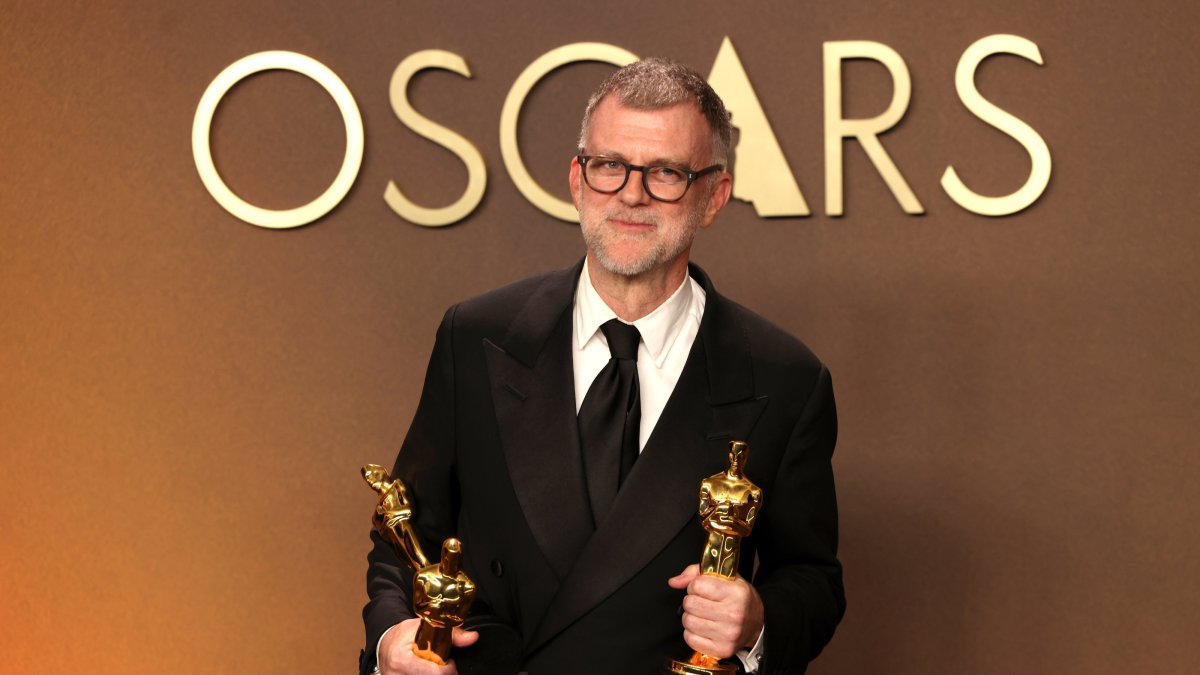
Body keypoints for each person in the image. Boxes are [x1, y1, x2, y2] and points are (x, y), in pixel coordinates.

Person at [361, 57, 844, 675]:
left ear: (714, 195)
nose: (631, 194)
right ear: (577, 178)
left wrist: (755, 624)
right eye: (610, 166)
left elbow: (812, 580)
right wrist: (392, 642)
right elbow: (403, 535)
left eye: (666, 172)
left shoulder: (785, 378)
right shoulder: (477, 335)